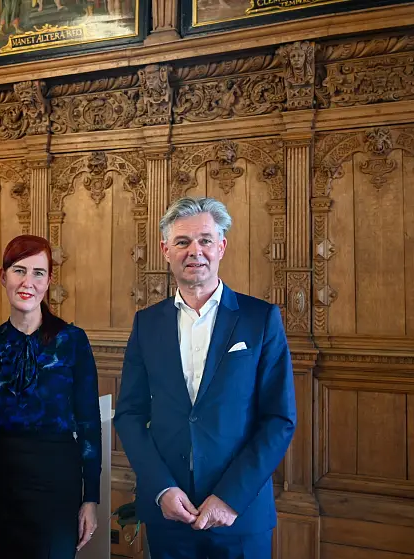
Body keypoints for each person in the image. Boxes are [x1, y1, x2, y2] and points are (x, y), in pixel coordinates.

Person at [114, 196, 296, 559]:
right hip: (170, 514)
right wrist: (162, 489)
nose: (194, 251)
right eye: (182, 242)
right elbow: (130, 415)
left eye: (205, 240)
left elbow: (279, 419)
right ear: (166, 250)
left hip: (239, 515)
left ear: (221, 247)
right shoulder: (147, 323)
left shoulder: (260, 319)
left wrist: (230, 498)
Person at [0, 234, 101, 559]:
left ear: (49, 281)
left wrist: (91, 498)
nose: (28, 282)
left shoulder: (72, 342)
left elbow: (89, 427)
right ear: (3, 276)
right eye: (19, 270)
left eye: (38, 273)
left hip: (57, 488)